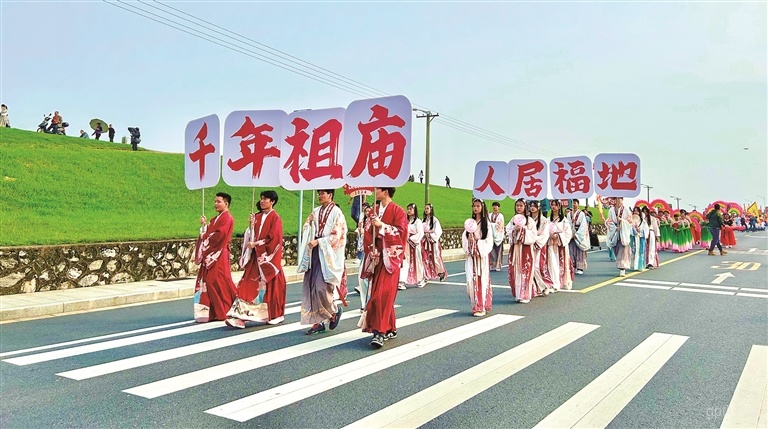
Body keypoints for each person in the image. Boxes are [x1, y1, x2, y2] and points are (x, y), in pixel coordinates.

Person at [225, 190, 287, 328]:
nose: (262, 201)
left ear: (272, 202)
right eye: (261, 198)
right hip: (254, 259)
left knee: (270, 288)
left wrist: (257, 244)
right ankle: (239, 316)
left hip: (266, 260)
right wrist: (250, 227)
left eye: (266, 199)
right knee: (246, 285)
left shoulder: (275, 218)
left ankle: (272, 314)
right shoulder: (257, 217)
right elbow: (250, 235)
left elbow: (274, 239)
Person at [359, 187, 407, 348]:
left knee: (382, 294)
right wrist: (372, 249)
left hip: (390, 258)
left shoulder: (398, 211)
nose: (375, 191)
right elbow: (367, 232)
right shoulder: (374, 210)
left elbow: (401, 234)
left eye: (377, 189)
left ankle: (379, 332)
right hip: (377, 257)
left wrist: (382, 226)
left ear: (385, 191)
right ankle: (390, 327)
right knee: (379, 293)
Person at [297, 189, 347, 335]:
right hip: (315, 251)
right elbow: (307, 228)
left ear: (330, 195)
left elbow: (338, 235)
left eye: (322, 193)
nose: (319, 195)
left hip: (327, 253)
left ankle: (333, 311)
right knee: (311, 286)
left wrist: (319, 241)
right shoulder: (316, 210)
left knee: (321, 286)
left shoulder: (337, 212)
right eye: (318, 193)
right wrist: (310, 223)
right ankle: (318, 321)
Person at [193, 192, 238, 322]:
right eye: (215, 201)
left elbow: (219, 235)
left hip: (219, 253)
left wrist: (205, 236)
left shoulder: (227, 218)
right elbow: (210, 233)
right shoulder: (215, 219)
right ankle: (215, 311)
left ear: (226, 203)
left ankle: (227, 309)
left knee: (220, 281)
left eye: (218, 201)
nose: (216, 204)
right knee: (210, 282)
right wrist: (204, 225)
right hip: (213, 253)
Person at [463, 198, 494, 315]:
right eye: (474, 206)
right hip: (471, 257)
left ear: (482, 207)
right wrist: (469, 241)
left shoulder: (487, 224)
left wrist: (477, 243)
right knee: (470, 280)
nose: (475, 208)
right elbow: (464, 240)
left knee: (481, 280)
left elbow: (488, 241)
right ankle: (475, 303)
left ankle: (480, 306)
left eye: (478, 206)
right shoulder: (470, 223)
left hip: (481, 257)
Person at [507, 198, 536, 303]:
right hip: (515, 248)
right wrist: (514, 230)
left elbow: (533, 235)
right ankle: (518, 293)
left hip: (525, 249)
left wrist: (523, 230)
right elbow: (507, 231)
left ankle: (525, 294)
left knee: (525, 270)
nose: (518, 208)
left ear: (525, 207)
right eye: (517, 205)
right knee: (514, 271)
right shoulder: (513, 220)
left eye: (521, 206)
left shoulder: (530, 221)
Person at [545, 199, 573, 291]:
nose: (553, 207)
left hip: (560, 244)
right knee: (551, 264)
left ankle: (560, 282)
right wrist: (549, 235)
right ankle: (553, 283)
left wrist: (558, 236)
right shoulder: (548, 220)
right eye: (552, 205)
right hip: (550, 244)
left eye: (555, 205)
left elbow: (568, 233)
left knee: (560, 264)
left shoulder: (564, 220)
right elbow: (544, 231)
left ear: (559, 206)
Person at [399, 203, 426, 289]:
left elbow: (420, 233)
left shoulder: (418, 222)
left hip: (414, 244)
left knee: (417, 261)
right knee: (405, 261)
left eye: (411, 209)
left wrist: (411, 238)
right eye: (408, 209)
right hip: (406, 244)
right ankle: (402, 281)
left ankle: (420, 279)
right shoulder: (405, 221)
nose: (409, 211)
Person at [421, 203, 447, 282]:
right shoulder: (424, 220)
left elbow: (438, 231)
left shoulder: (435, 220)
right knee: (425, 258)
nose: (426, 210)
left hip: (433, 242)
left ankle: (441, 272)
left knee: (436, 257)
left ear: (431, 210)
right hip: (425, 242)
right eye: (425, 208)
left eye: (427, 208)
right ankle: (426, 274)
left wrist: (430, 235)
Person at [608, 197, 633, 277]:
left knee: (623, 250)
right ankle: (620, 265)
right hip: (615, 231)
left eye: (619, 199)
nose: (618, 200)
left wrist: (622, 221)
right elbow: (608, 221)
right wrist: (615, 228)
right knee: (616, 249)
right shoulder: (611, 210)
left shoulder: (626, 210)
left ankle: (622, 268)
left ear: (622, 200)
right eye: (616, 199)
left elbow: (630, 222)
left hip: (623, 232)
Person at [568, 200, 589, 274]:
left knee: (579, 251)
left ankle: (580, 267)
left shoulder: (581, 214)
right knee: (571, 251)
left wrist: (577, 234)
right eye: (572, 203)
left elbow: (583, 225)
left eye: (575, 203)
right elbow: (567, 224)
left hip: (578, 233)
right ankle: (573, 266)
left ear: (578, 204)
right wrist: (571, 232)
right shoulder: (569, 214)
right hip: (571, 233)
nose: (573, 204)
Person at [488, 201, 505, 272]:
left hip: (498, 235)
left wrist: (492, 225)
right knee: (491, 250)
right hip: (491, 235)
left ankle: (498, 265)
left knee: (498, 250)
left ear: (498, 207)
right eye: (494, 206)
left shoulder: (500, 216)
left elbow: (500, 225)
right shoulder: (490, 214)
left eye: (496, 206)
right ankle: (492, 264)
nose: (495, 207)